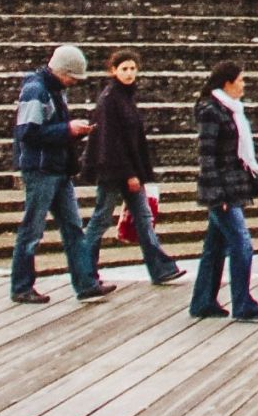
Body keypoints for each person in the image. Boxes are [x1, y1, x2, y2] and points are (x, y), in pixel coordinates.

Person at [10, 44, 105, 304]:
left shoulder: (55, 90)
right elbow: (27, 132)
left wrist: (70, 130)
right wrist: (68, 130)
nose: (74, 82)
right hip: (40, 170)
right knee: (33, 229)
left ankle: (86, 283)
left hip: (58, 168)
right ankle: (21, 286)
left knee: (73, 228)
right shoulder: (36, 90)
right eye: (72, 77)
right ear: (62, 71)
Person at [78, 48, 181, 287]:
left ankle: (161, 269)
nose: (129, 73)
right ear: (113, 71)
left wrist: (142, 174)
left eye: (133, 68)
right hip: (114, 172)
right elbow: (111, 143)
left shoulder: (124, 97)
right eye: (124, 69)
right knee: (101, 219)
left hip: (127, 171)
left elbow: (134, 141)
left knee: (143, 218)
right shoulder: (109, 100)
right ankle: (84, 272)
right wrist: (131, 175)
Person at [191, 59, 258, 322]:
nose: (244, 85)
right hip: (223, 190)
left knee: (215, 247)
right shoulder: (211, 111)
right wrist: (218, 194)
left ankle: (203, 301)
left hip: (232, 186)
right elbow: (207, 156)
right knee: (241, 244)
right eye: (240, 80)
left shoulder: (230, 109)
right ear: (227, 83)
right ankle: (242, 303)